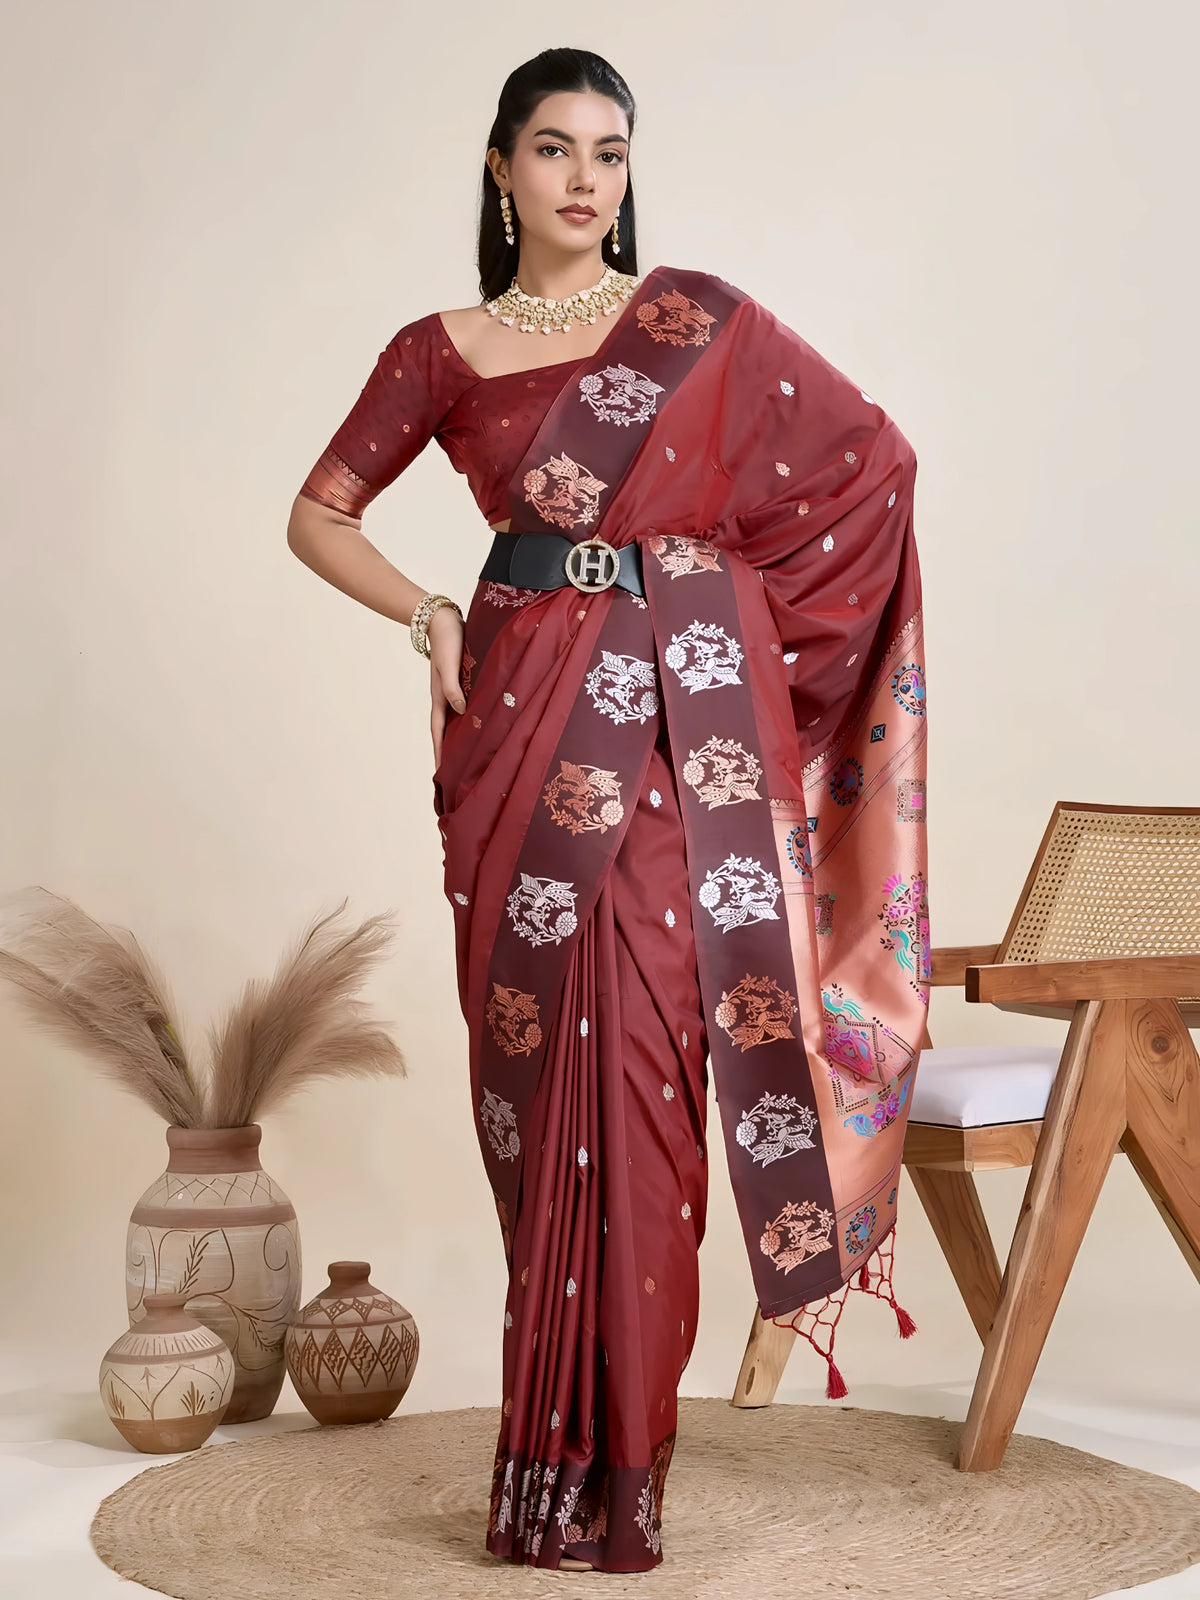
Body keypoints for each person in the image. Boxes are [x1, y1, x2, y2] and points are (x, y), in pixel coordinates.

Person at [288, 47, 928, 1576]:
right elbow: (319, 513)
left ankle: (627, 1471)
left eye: (612, 154)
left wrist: (725, 635)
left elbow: (871, 470)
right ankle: (542, 1459)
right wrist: (428, 610)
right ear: (502, 169)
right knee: (541, 1084)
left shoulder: (695, 322)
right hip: (520, 732)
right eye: (557, 150)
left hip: (672, 742)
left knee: (643, 1077)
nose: (587, 179)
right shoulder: (438, 349)